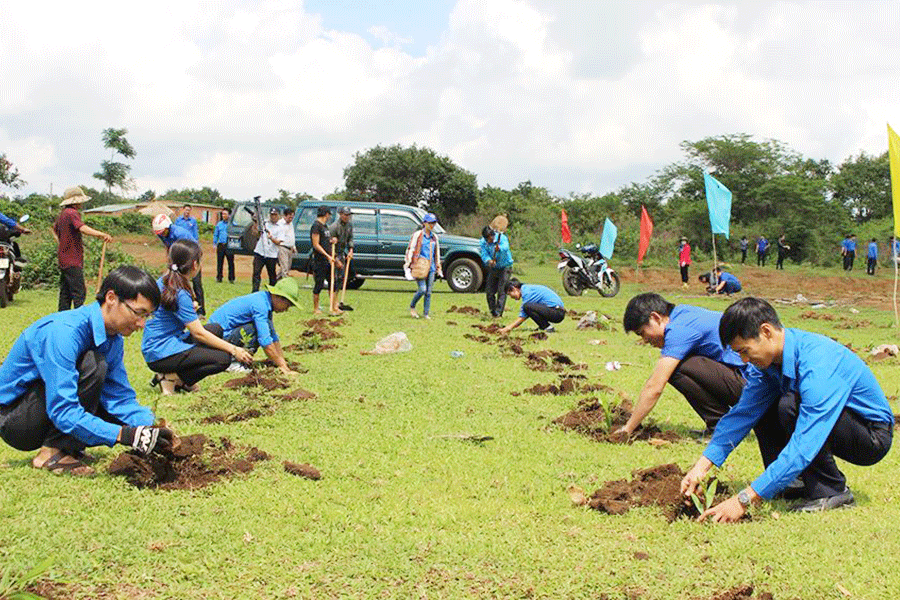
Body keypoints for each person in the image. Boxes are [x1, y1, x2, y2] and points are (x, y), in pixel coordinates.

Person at [682, 297, 893, 521]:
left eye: (745, 351)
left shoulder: (817, 363)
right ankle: (793, 484)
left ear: (766, 332)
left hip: (870, 436)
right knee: (765, 406)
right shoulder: (767, 365)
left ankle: (832, 492)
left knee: (790, 404)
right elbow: (742, 415)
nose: (744, 360)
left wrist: (744, 499)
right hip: (830, 424)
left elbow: (806, 442)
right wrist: (702, 466)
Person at [0, 266, 174, 476]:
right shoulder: (64, 332)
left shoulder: (113, 338)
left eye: (148, 316)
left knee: (113, 400)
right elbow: (62, 409)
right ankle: (50, 452)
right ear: (111, 298)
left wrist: (150, 427)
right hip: (17, 421)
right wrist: (124, 435)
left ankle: (69, 447)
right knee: (94, 364)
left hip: (46, 409)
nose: (142, 324)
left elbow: (119, 397)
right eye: (138, 313)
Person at [619, 293, 746, 438]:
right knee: (682, 364)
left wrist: (627, 429)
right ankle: (721, 426)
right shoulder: (682, 313)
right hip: (745, 381)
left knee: (677, 369)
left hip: (754, 387)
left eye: (642, 333)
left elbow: (655, 386)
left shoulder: (678, 331)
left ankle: (721, 427)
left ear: (655, 317)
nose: (645, 340)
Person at [141, 240, 253, 395]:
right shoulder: (180, 291)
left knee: (216, 329)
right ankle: (172, 377)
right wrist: (234, 349)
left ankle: (180, 379)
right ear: (195, 265)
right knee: (223, 359)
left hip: (153, 346)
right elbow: (198, 333)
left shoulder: (164, 281)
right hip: (161, 353)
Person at [209, 277, 302, 377]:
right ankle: (232, 363)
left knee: (258, 329)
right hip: (218, 339)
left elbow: (273, 337)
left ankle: (237, 360)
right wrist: (284, 368)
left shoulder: (265, 302)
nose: (286, 310)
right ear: (278, 297)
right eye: (287, 305)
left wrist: (283, 363)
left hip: (225, 335)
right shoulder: (260, 305)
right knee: (253, 330)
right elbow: (265, 341)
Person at [52, 186, 113, 312]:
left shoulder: (62, 214)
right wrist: (101, 234)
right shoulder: (72, 213)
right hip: (72, 260)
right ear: (76, 201)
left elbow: (55, 230)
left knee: (66, 292)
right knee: (79, 292)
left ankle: (63, 317)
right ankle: (79, 317)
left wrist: (63, 243)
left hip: (63, 259)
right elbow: (82, 228)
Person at [152, 213, 206, 315]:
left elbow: (193, 250)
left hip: (191, 258)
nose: (162, 234)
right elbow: (168, 247)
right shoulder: (161, 233)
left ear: (168, 227)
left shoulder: (180, 234)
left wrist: (191, 265)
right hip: (177, 260)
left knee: (196, 284)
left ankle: (200, 311)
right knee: (172, 282)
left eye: (163, 232)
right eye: (159, 233)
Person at [405, 213, 442, 319]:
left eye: (433, 223)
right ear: (424, 223)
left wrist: (438, 267)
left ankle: (426, 313)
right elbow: (411, 249)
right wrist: (408, 264)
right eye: (430, 223)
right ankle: (412, 306)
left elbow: (437, 253)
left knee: (429, 292)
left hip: (431, 267)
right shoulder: (418, 235)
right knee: (422, 289)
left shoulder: (434, 237)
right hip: (419, 266)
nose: (432, 225)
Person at [500, 278, 564, 333]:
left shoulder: (527, 292)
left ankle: (547, 327)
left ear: (514, 288)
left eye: (510, 294)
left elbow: (523, 316)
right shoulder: (527, 289)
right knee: (528, 307)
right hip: (556, 311)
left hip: (557, 312)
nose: (511, 297)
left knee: (527, 307)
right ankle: (543, 326)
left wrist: (508, 328)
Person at [174, 204, 205, 314]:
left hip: (192, 251)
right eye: (186, 210)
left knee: (197, 282)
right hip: (181, 252)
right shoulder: (178, 221)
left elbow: (195, 235)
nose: (187, 212)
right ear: (183, 210)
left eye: (189, 210)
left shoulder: (193, 221)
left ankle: (201, 310)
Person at [310, 206, 340, 315]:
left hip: (329, 260)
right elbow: (316, 244)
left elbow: (325, 241)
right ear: (326, 214)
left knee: (334, 283)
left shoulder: (325, 226)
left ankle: (334, 306)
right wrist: (327, 255)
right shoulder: (316, 226)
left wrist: (332, 241)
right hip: (320, 260)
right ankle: (316, 308)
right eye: (329, 215)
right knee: (319, 284)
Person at [480, 224, 514, 318]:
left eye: (489, 238)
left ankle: (498, 313)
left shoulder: (502, 238)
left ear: (492, 235)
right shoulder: (483, 242)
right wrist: (489, 260)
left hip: (505, 267)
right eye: (487, 239)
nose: (488, 241)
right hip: (493, 268)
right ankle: (492, 311)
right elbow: (484, 253)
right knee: (489, 291)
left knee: (501, 290)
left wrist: (499, 249)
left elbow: (506, 248)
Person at [329, 206, 354, 311]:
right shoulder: (334, 227)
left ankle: (337, 302)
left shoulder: (349, 225)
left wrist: (351, 250)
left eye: (348, 215)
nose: (347, 217)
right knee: (333, 279)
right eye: (345, 214)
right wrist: (336, 259)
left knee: (341, 279)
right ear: (340, 214)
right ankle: (332, 304)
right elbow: (329, 245)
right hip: (334, 254)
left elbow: (350, 238)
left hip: (342, 253)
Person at [252, 208, 283, 293]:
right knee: (256, 273)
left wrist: (271, 238)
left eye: (275, 215)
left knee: (272, 275)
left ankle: (272, 293)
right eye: (272, 215)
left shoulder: (280, 228)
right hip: (260, 252)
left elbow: (278, 242)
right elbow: (255, 233)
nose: (273, 217)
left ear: (278, 216)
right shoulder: (264, 223)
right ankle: (255, 291)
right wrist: (255, 222)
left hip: (271, 255)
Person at [214, 208, 234, 283]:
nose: (223, 215)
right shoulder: (219, 224)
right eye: (222, 214)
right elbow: (216, 234)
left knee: (231, 262)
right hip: (221, 245)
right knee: (219, 262)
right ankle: (219, 277)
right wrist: (214, 243)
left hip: (229, 245)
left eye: (225, 214)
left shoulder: (232, 224)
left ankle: (231, 278)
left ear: (229, 215)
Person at [276, 207, 296, 280]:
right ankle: (285, 283)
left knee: (286, 267)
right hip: (282, 247)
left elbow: (291, 235)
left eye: (292, 217)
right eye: (289, 217)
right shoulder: (280, 224)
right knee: (284, 268)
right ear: (285, 216)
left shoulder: (291, 224)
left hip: (290, 248)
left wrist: (293, 246)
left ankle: (274, 281)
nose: (291, 219)